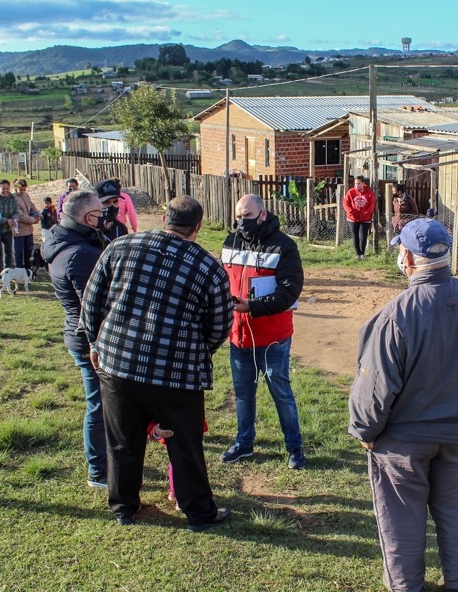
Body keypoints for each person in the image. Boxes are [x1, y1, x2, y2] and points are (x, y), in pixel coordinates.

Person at [349, 218, 458, 592]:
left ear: (407, 256)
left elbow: (375, 386)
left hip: (403, 440)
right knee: (454, 511)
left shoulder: (395, 315)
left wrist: (365, 431)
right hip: (455, 432)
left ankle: (406, 587)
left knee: (402, 517)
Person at [80, 196, 233, 529]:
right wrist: (196, 349)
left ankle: (124, 507)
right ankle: (198, 514)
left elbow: (92, 300)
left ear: (164, 218)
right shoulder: (208, 266)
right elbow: (220, 324)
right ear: (198, 227)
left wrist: (95, 341)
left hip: (117, 361)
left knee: (122, 441)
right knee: (186, 445)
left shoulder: (120, 246)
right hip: (175, 372)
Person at [220, 194, 307, 470]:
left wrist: (253, 307)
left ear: (263, 214)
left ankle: (295, 448)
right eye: (238, 215)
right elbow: (221, 280)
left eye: (247, 215)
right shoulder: (229, 242)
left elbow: (290, 291)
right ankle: (244, 444)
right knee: (243, 394)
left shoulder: (284, 247)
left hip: (273, 337)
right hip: (239, 335)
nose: (242, 221)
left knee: (281, 393)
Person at [42, 190, 109, 489]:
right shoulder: (80, 255)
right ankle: (99, 472)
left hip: (79, 335)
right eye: (100, 213)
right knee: (100, 406)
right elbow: (92, 308)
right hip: (89, 341)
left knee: (102, 403)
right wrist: (97, 346)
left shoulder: (65, 241)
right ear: (86, 217)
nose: (105, 217)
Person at [343, 176, 376, 260]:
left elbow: (371, 204)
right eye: (355, 183)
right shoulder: (351, 192)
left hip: (365, 219)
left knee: (363, 236)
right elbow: (346, 203)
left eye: (358, 183)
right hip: (353, 218)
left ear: (363, 183)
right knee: (355, 236)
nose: (357, 185)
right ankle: (358, 254)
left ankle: (362, 253)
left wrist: (367, 213)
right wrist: (350, 211)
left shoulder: (369, 193)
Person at [0, 179, 18, 275]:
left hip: (7, 229)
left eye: (7, 189)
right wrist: (6, 220)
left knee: (8, 252)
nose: (5, 191)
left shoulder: (12, 198)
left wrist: (14, 219)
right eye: (3, 189)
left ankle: (8, 272)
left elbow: (16, 211)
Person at [11, 179, 40, 270]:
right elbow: (20, 214)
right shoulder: (12, 198)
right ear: (16, 188)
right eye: (21, 190)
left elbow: (31, 206)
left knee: (29, 250)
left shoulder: (26, 195)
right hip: (19, 230)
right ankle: (19, 269)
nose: (23, 192)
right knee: (19, 252)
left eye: (24, 189)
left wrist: (38, 214)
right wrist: (32, 220)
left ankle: (28, 269)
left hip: (28, 230)